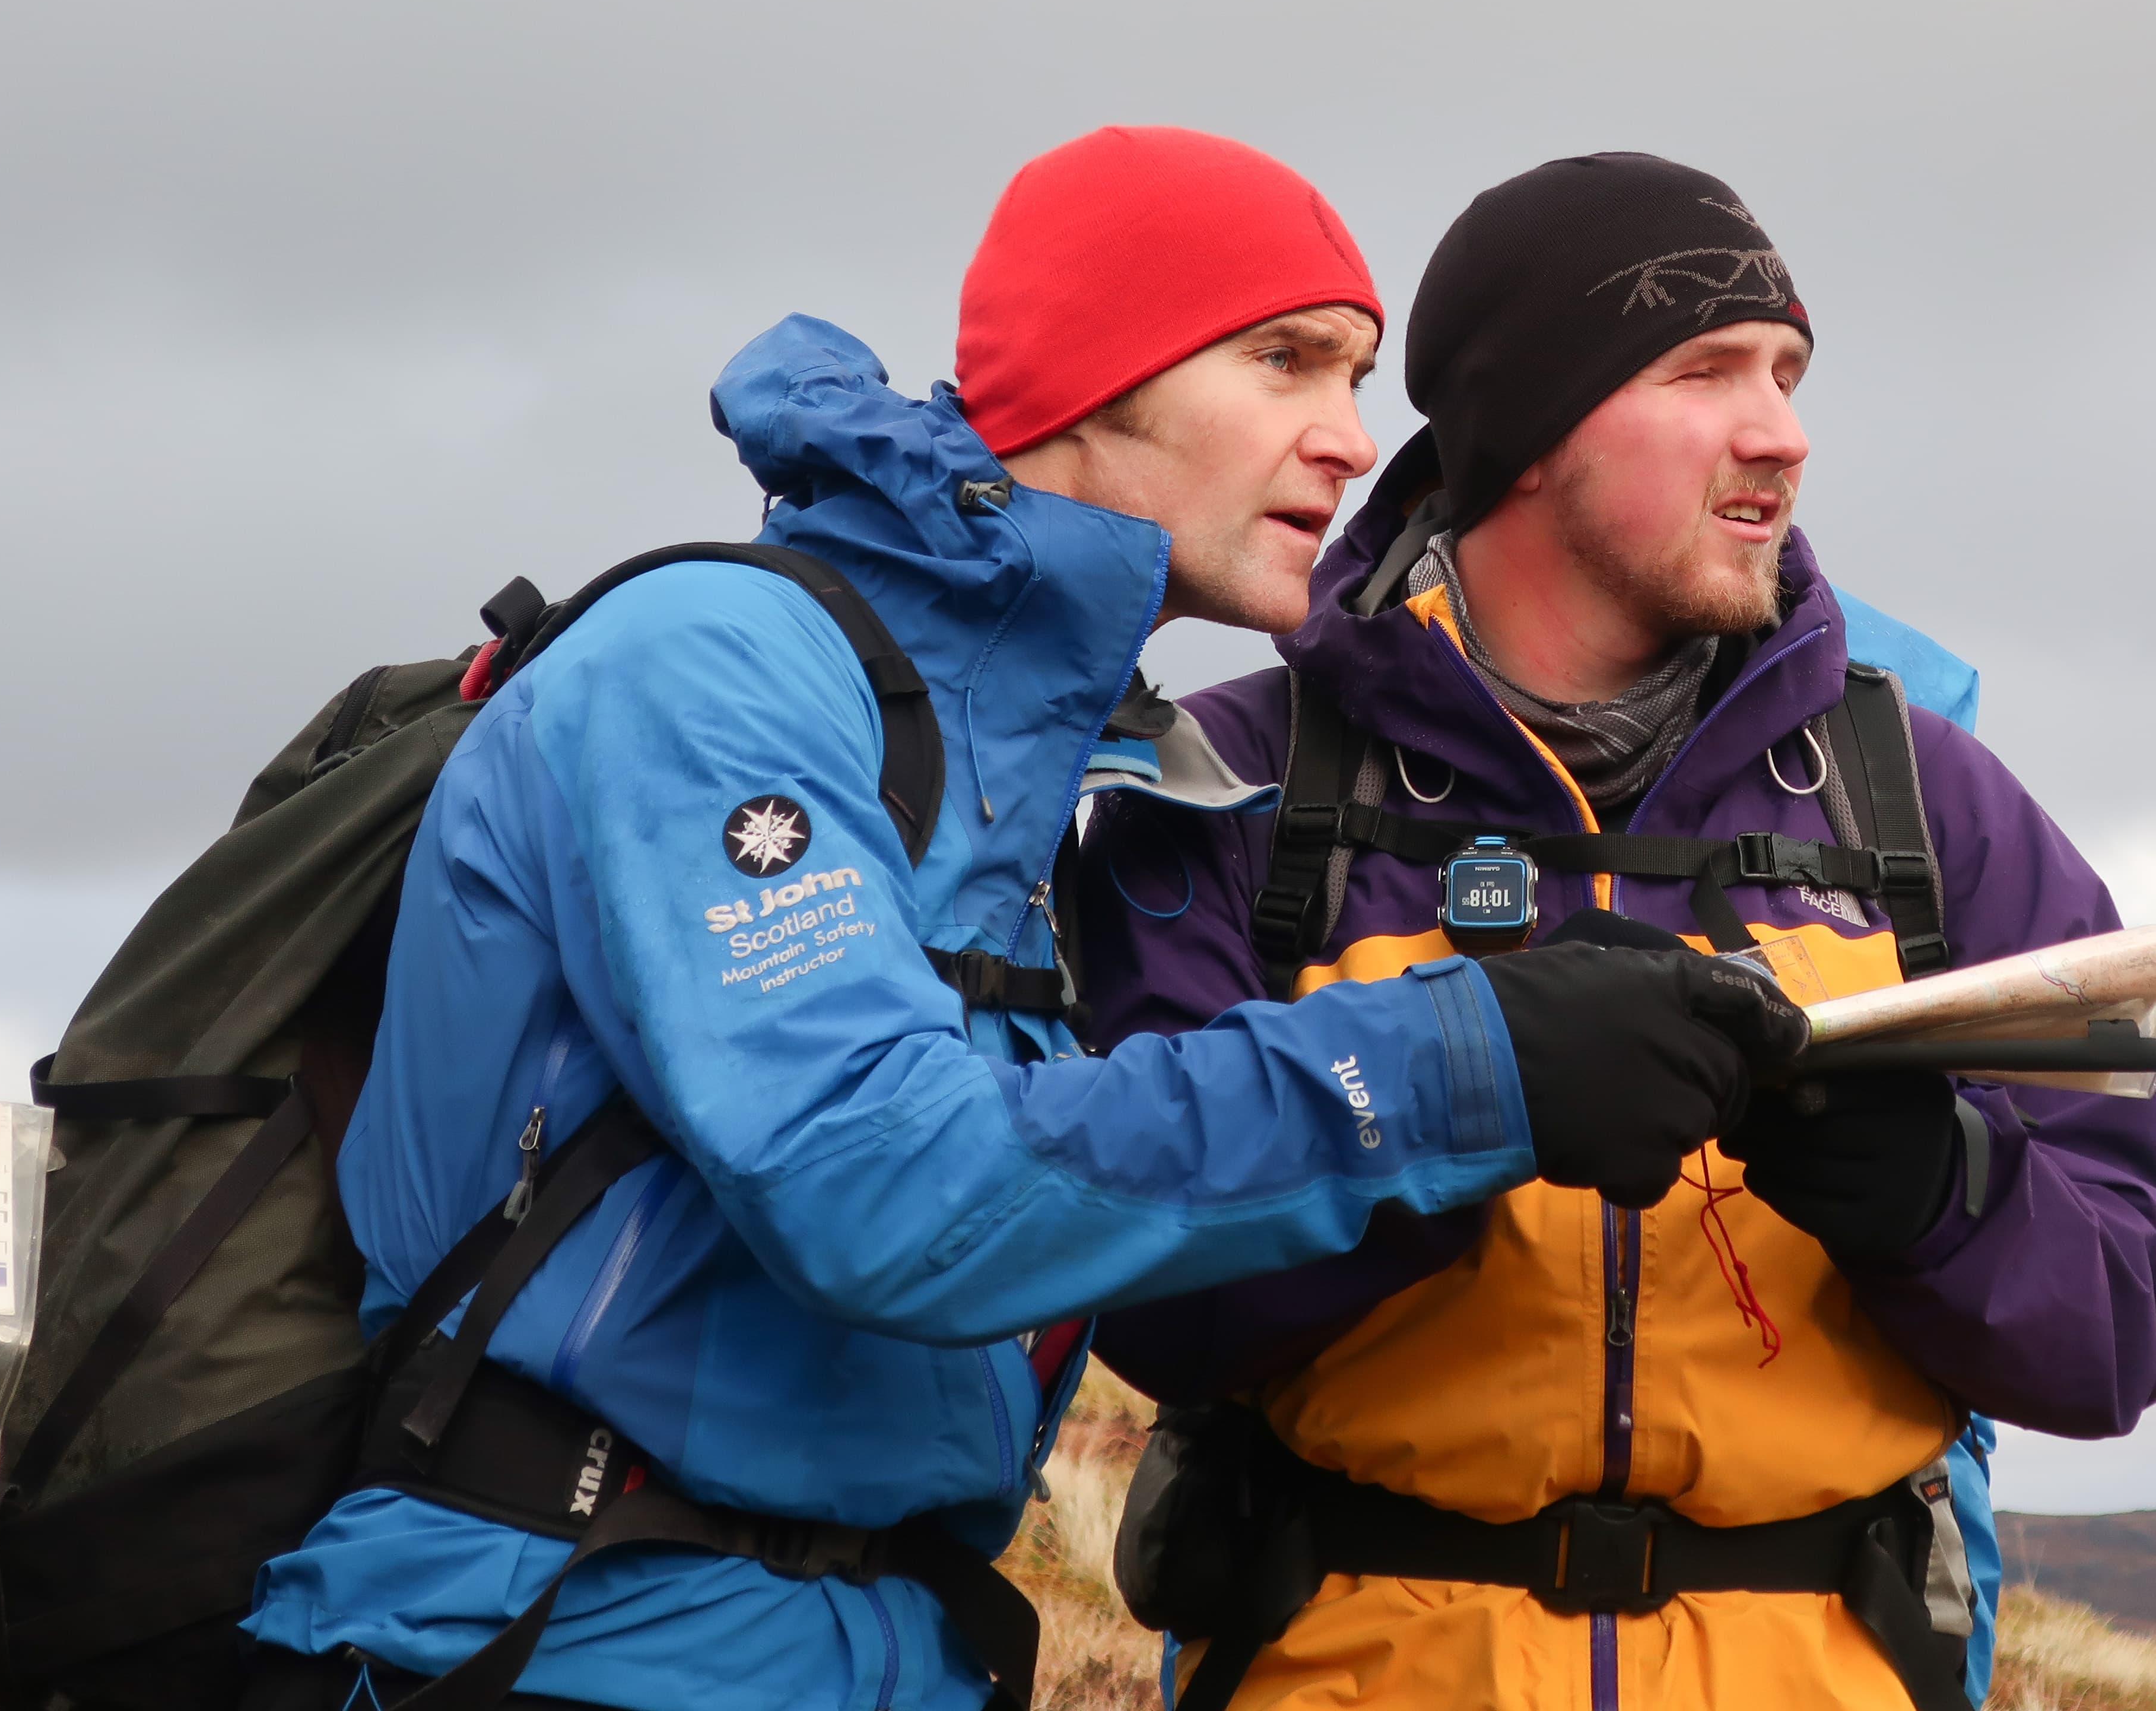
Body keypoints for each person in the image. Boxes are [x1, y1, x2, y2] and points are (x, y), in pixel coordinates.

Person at [239, 128, 1799, 1710]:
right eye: (1285, 363)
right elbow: (879, 1185)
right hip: (558, 1637)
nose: (1347, 440)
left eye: (1355, 379)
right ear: (1091, 377)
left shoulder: (1040, 778)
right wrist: (1463, 1065)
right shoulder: (714, 667)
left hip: (865, 1648)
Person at [1073, 151, 2156, 1711]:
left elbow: (2126, 1336)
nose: (1782, 435)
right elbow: (1148, 1303)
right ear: (1533, 432)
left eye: (1790, 375)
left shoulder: (1928, 804)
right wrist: (1464, 1117)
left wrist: (1937, 1194)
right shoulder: (1229, 791)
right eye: (1707, 372)